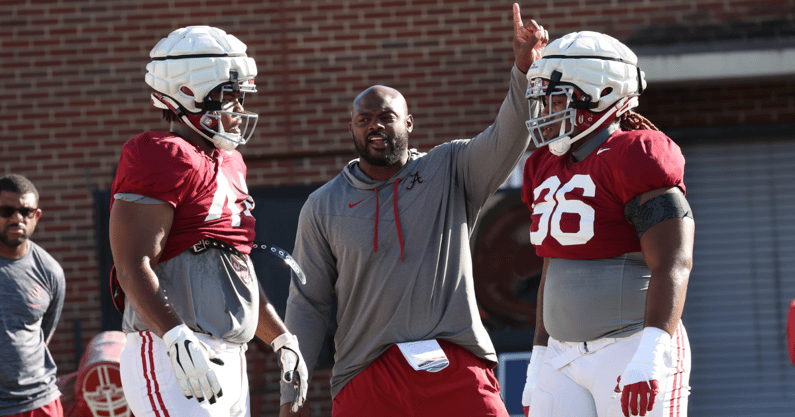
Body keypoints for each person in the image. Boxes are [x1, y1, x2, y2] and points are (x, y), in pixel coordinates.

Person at [278, 4, 547, 417]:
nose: (375, 126)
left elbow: (507, 137)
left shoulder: (450, 168)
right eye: (363, 119)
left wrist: (524, 74)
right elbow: (308, 302)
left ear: (409, 123)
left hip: (454, 363)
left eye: (386, 116)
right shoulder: (322, 205)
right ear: (351, 129)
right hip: (366, 372)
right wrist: (291, 382)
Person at [108, 26, 308, 417]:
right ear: (187, 92)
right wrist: (175, 335)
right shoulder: (160, 153)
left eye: (241, 96)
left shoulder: (231, 162)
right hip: (173, 352)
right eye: (228, 96)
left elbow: (236, 270)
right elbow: (131, 264)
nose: (238, 109)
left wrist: (281, 338)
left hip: (231, 356)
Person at [519, 31, 694, 417]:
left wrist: (650, 353)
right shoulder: (543, 166)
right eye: (541, 101)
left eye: (555, 99)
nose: (544, 112)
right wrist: (538, 356)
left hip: (628, 346)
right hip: (560, 355)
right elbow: (552, 269)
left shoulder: (637, 154)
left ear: (600, 94)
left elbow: (673, 262)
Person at [0, 174, 66, 417]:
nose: (17, 218)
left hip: (37, 403)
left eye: (26, 212)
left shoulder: (50, 271)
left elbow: (43, 334)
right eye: (6, 210)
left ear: (36, 217)